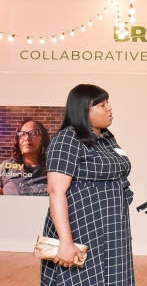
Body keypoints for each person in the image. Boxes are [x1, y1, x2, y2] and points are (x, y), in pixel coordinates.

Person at [41, 84, 134, 285]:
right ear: (83, 110)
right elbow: (56, 191)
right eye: (101, 105)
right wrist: (66, 242)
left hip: (113, 230)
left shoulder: (107, 138)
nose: (109, 109)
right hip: (81, 228)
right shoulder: (68, 138)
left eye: (108, 103)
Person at [0, 119, 50, 196]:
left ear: (42, 140)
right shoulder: (6, 166)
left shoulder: (52, 168)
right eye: (22, 134)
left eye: (33, 133)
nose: (27, 138)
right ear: (18, 140)